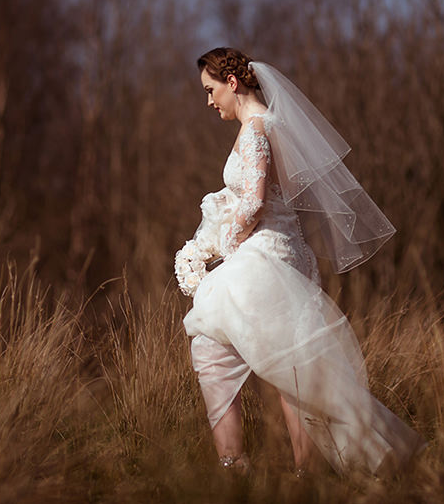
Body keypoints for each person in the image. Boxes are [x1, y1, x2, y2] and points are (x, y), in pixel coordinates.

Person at [177, 47, 423, 477]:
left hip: (263, 252)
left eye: (211, 90)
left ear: (232, 83)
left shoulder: (255, 129)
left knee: (223, 349)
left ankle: (238, 465)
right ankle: (299, 469)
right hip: (283, 250)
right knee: (287, 363)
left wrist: (216, 246)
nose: (209, 101)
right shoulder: (272, 124)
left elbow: (253, 201)